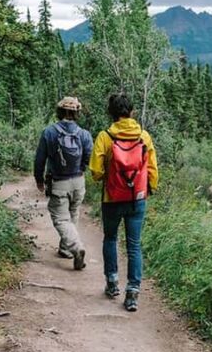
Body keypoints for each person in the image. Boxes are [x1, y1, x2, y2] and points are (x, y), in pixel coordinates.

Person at [89, 93, 158, 312]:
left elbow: (96, 172)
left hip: (111, 198)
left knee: (110, 238)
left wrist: (106, 177)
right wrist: (149, 188)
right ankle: (133, 293)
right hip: (137, 199)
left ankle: (112, 283)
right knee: (134, 245)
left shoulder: (105, 136)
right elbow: (152, 170)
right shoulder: (144, 137)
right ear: (132, 111)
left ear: (111, 112)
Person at [34, 96, 93, 271]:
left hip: (59, 181)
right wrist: (81, 169)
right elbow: (88, 157)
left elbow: (40, 159)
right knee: (73, 213)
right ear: (76, 112)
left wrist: (39, 179)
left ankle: (75, 247)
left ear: (60, 111)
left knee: (60, 218)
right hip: (78, 181)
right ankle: (64, 248)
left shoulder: (49, 132)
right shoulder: (84, 134)